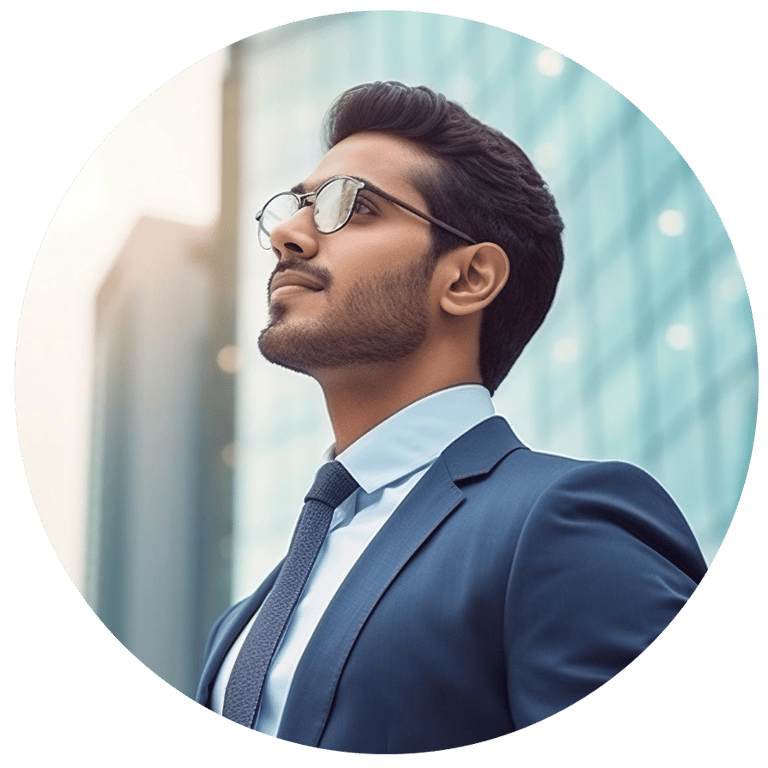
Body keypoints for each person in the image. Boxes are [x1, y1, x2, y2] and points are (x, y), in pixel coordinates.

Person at [195, 81, 707, 754]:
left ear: (467, 279)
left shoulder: (562, 521)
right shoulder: (244, 622)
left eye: (351, 206)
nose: (289, 235)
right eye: (297, 207)